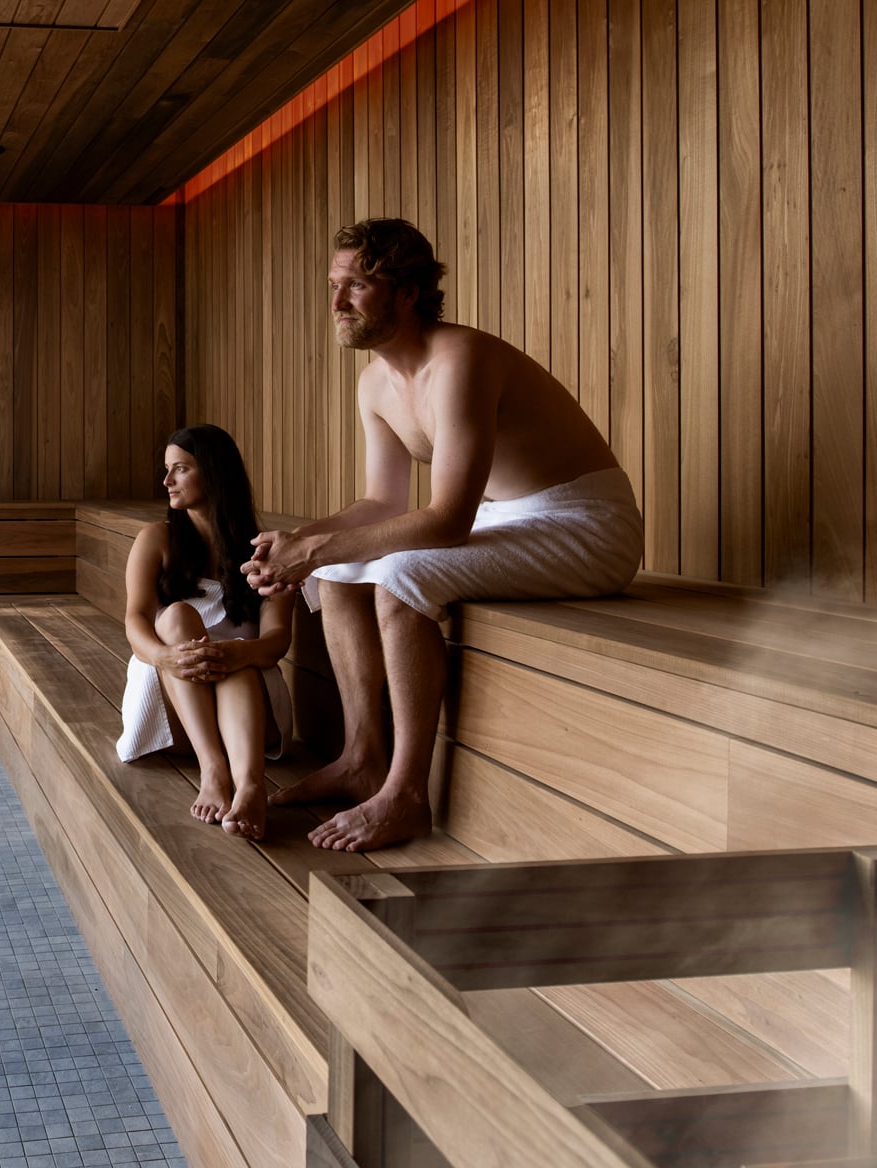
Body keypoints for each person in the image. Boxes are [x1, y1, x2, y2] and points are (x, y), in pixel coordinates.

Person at [243, 218, 642, 852]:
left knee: (401, 575)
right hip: (504, 516)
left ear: (406, 291)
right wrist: (300, 541)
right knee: (338, 570)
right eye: (333, 285)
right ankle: (361, 757)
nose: (337, 304)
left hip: (586, 524)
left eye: (356, 287)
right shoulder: (374, 383)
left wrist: (311, 549)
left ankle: (406, 795)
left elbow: (448, 520)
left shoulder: (462, 359)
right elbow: (382, 503)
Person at [120, 424, 295, 840]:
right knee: (177, 618)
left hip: (250, 719)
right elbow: (135, 620)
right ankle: (213, 768)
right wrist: (163, 656)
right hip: (173, 715)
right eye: (166, 470)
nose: (166, 482)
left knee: (238, 657)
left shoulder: (265, 552)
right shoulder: (156, 540)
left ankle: (250, 786)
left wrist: (239, 654)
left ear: (214, 473)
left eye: (179, 469)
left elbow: (277, 641)